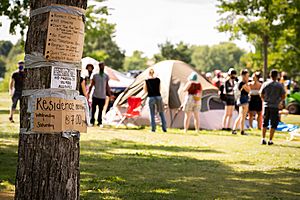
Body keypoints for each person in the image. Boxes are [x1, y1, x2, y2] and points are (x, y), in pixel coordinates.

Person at [260, 69, 285, 145]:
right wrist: (279, 101)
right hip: (274, 106)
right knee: (273, 124)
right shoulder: (279, 85)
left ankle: (263, 138)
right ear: (277, 76)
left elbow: (261, 93)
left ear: (270, 75)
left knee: (265, 123)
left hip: (266, 105)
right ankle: (270, 140)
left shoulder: (265, 84)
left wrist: (264, 100)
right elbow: (283, 95)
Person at [143, 68, 167, 132]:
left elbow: (145, 91)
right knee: (161, 113)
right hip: (158, 97)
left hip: (150, 97)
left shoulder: (146, 80)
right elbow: (159, 89)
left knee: (152, 113)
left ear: (148, 73)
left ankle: (153, 129)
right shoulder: (158, 80)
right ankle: (164, 128)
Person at [88, 62, 111, 126]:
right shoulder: (95, 75)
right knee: (93, 109)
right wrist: (88, 93)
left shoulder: (106, 76)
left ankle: (99, 122)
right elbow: (91, 85)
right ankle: (92, 121)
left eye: (103, 66)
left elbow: (107, 86)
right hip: (95, 95)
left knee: (101, 110)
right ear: (99, 66)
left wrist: (109, 94)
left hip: (102, 96)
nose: (102, 67)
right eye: (101, 66)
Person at [232, 69, 251, 135]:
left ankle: (234, 129)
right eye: (247, 76)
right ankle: (242, 130)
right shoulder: (243, 83)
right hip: (244, 99)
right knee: (243, 116)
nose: (248, 77)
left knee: (240, 115)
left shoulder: (240, 82)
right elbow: (248, 90)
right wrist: (247, 85)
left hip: (240, 99)